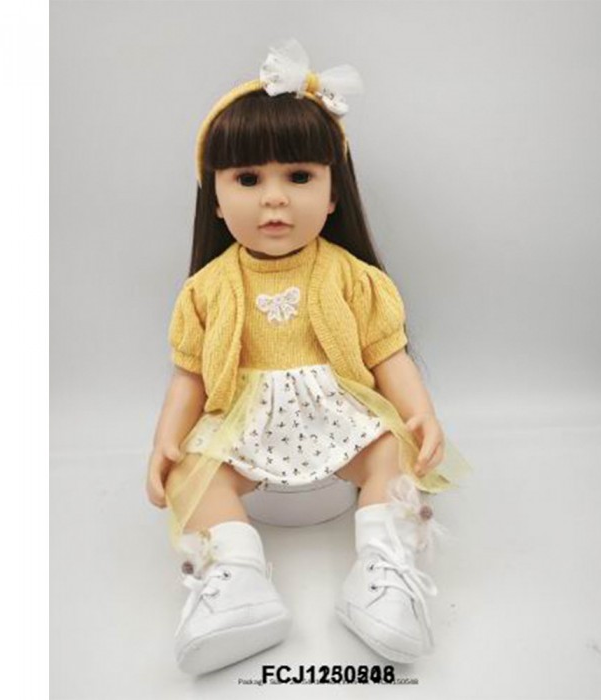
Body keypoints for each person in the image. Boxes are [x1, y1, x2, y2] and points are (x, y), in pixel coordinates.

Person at [146, 38, 468, 675]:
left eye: (298, 177)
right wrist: (166, 440)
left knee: (393, 452)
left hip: (338, 416)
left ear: (333, 193)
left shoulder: (353, 278)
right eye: (248, 179)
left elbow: (388, 356)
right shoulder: (208, 289)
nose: (274, 199)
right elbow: (189, 374)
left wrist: (422, 414)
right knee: (194, 475)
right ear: (215, 198)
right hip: (244, 423)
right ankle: (236, 582)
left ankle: (383, 575)